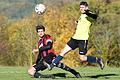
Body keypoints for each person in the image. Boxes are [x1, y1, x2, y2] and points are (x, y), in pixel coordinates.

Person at [48, 1, 104, 70]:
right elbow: (83, 23)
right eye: (80, 7)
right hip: (74, 39)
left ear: (86, 8)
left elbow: (95, 16)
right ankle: (52, 65)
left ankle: (98, 60)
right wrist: (77, 22)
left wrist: (87, 12)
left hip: (83, 40)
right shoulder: (82, 15)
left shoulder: (89, 15)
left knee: (82, 58)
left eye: (83, 7)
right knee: (63, 51)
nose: (81, 9)